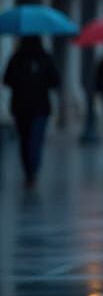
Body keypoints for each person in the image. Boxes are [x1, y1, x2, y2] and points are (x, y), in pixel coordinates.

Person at [3, 35, 60, 185]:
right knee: (35, 139)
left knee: (26, 140)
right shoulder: (44, 58)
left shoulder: (17, 58)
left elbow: (7, 80)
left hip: (22, 107)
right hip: (37, 107)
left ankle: (30, 171)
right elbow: (55, 81)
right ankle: (32, 170)